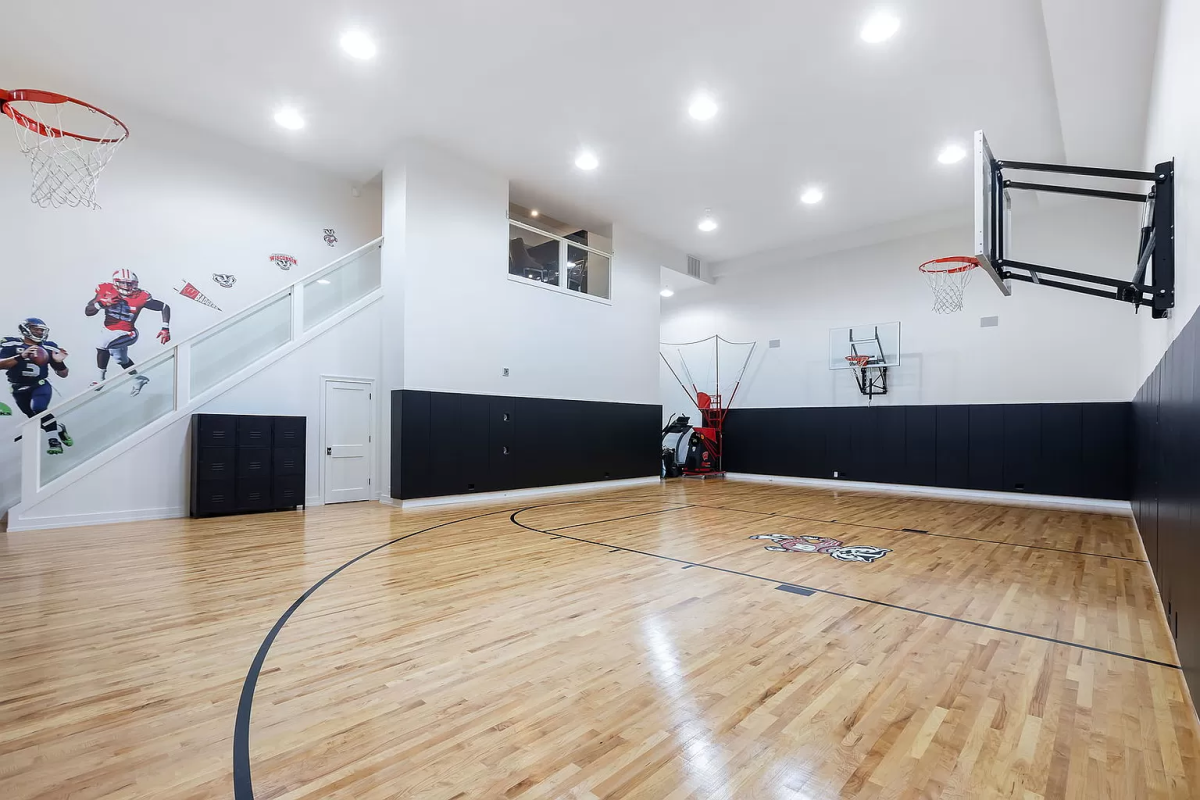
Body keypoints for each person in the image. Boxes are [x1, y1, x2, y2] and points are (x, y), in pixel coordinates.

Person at [85, 269, 170, 395]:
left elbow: (164, 307)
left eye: (130, 283)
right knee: (121, 359)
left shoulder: (141, 296)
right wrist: (100, 304)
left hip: (128, 333)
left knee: (102, 344)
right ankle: (139, 379)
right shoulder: (106, 290)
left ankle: (100, 380)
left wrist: (165, 328)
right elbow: (88, 311)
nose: (127, 286)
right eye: (123, 283)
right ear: (116, 283)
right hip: (109, 331)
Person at [0, 318, 73, 455]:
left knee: (39, 409)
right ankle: (59, 429)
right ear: (26, 329)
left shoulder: (49, 346)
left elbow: (64, 374)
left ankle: (54, 441)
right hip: (17, 388)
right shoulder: (11, 343)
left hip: (39, 385)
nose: (39, 332)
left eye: (41, 330)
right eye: (36, 329)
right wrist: (21, 356)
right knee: (34, 419)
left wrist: (59, 363)